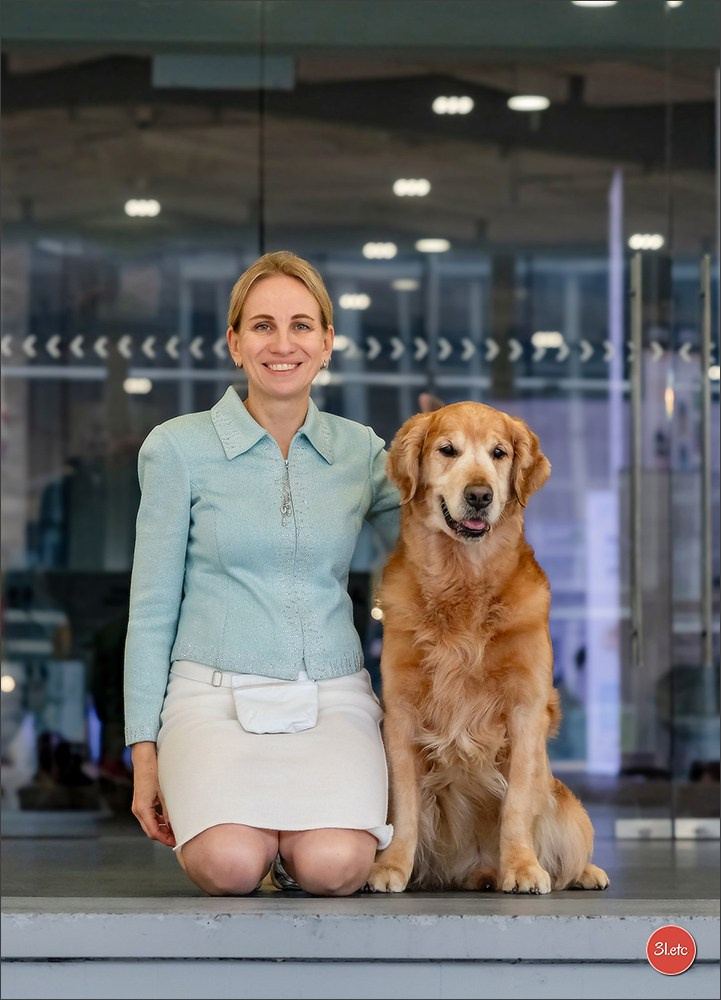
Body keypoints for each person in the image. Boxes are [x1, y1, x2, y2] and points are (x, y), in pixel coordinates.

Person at [124, 251, 401, 897]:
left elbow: (436, 538)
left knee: (334, 869)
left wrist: (466, 454)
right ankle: (260, 840)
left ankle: (290, 843)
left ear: (328, 343)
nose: (283, 344)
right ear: (235, 342)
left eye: (302, 326)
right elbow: (152, 609)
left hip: (331, 698)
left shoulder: (360, 452)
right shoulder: (176, 448)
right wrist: (144, 752)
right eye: (262, 326)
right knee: (229, 866)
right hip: (210, 699)